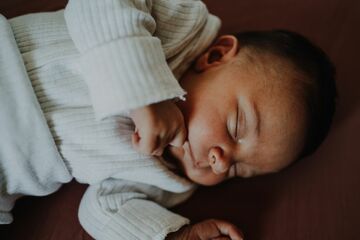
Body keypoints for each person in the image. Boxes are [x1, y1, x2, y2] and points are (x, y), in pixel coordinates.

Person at [0, 0, 336, 239]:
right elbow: (95, 6)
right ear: (216, 56)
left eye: (236, 170)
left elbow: (102, 209)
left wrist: (177, 235)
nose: (219, 163)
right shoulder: (178, 29)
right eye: (235, 128)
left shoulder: (168, 180)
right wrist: (145, 94)